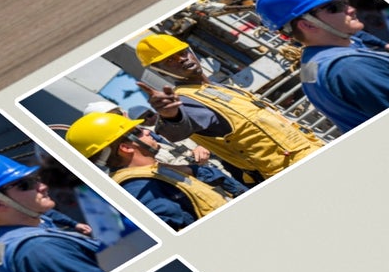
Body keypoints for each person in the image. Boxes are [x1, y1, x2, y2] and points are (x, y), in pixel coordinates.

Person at [134, 33, 325, 185]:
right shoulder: (185, 100)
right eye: (170, 61)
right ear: (160, 71)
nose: (182, 59)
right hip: (290, 171)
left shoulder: (218, 87)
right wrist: (170, 115)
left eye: (183, 53)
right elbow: (178, 127)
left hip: (312, 151)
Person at [254, 0, 389, 132]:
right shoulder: (349, 68)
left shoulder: (310, 67)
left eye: (344, 2)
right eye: (335, 7)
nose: (351, 9)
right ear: (308, 25)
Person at [64, 111, 228, 228]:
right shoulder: (140, 188)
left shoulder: (151, 173)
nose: (146, 132)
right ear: (125, 148)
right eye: (137, 132)